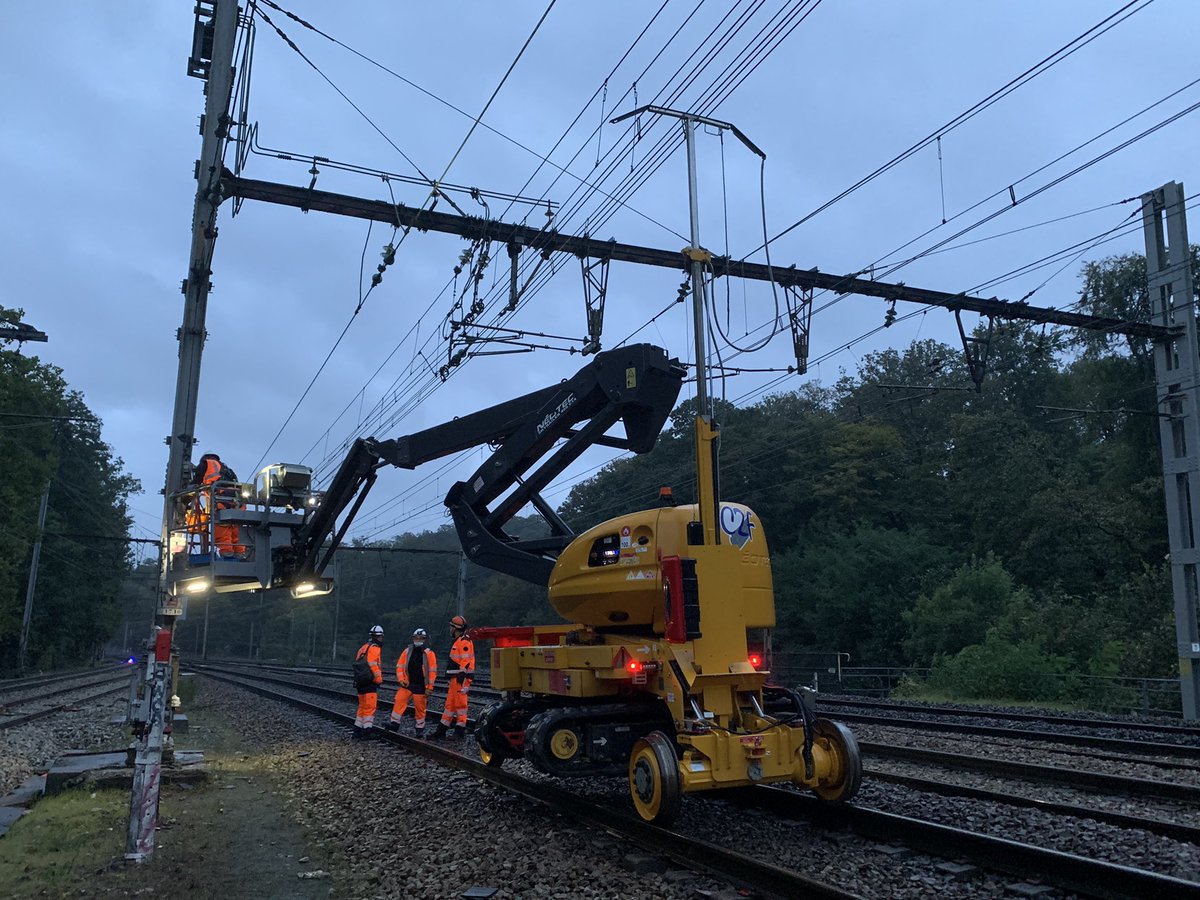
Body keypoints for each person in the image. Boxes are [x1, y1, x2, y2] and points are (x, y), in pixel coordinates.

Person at [188, 452, 244, 556]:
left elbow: (196, 481)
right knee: (236, 529)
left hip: (222, 499)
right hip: (238, 500)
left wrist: (185, 496)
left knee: (222, 529)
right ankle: (240, 555)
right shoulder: (226, 469)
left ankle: (227, 554)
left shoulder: (206, 464)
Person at [386, 628, 437, 736]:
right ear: (413, 638)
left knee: (420, 708)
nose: (418, 640)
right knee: (399, 701)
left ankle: (419, 729)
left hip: (421, 685)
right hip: (408, 683)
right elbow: (399, 667)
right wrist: (401, 680)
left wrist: (429, 687)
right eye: (416, 638)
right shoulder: (407, 651)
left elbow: (432, 672)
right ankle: (394, 724)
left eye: (421, 638)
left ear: (424, 639)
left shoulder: (429, 653)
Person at [432, 615, 474, 739]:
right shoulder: (459, 640)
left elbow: (465, 661)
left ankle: (460, 730)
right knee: (450, 705)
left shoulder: (464, 641)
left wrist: (462, 676)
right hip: (456, 677)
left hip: (460, 678)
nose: (450, 629)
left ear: (454, 628)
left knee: (461, 705)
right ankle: (442, 729)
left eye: (451, 627)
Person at [352, 625, 385, 739]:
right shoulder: (375, 648)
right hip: (369, 682)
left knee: (362, 706)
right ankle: (367, 731)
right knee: (370, 707)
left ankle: (357, 730)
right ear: (379, 636)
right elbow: (373, 665)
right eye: (381, 637)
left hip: (360, 682)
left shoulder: (363, 647)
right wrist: (378, 679)